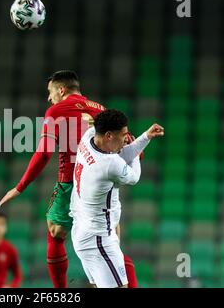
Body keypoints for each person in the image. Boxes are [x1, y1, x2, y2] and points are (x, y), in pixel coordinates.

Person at [0, 70, 136, 288]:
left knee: (56, 231)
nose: (48, 97)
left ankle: (61, 293)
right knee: (111, 245)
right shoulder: (101, 109)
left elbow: (44, 154)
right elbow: (131, 146)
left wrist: (20, 187)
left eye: (50, 92)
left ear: (61, 90)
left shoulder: (55, 111)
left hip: (73, 180)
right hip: (103, 186)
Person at [69, 109, 164, 288]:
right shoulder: (108, 164)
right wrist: (137, 144)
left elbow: (120, 153)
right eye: (123, 135)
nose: (126, 139)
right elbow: (134, 176)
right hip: (99, 239)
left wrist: (145, 137)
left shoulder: (88, 137)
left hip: (83, 230)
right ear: (109, 136)